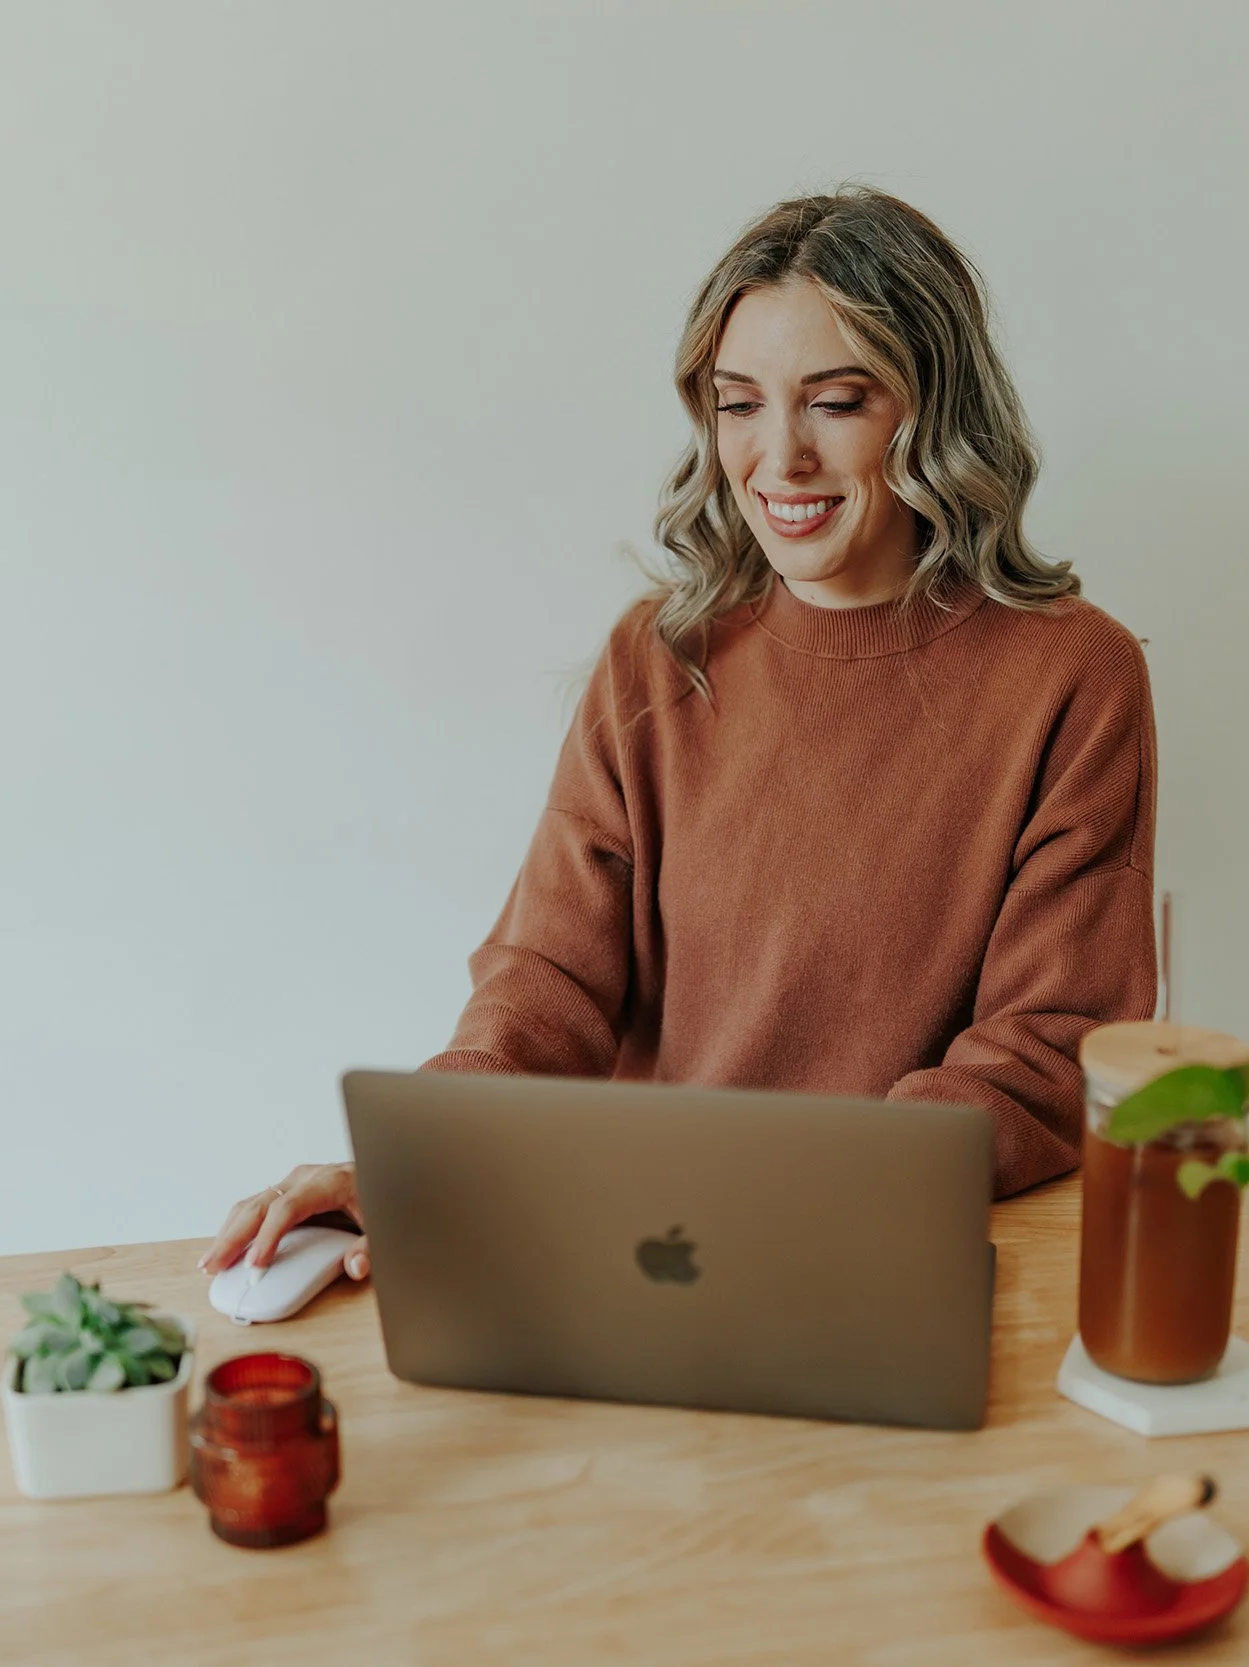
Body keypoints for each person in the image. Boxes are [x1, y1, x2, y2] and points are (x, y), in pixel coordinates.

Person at [201, 185, 1158, 1288]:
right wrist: (422, 1156)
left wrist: (805, 1186)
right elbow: (546, 979)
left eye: (836, 401)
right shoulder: (660, 656)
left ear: (931, 409)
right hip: (654, 1259)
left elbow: (1046, 1044)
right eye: (738, 403)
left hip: (877, 1249)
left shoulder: (1069, 674)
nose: (778, 456)